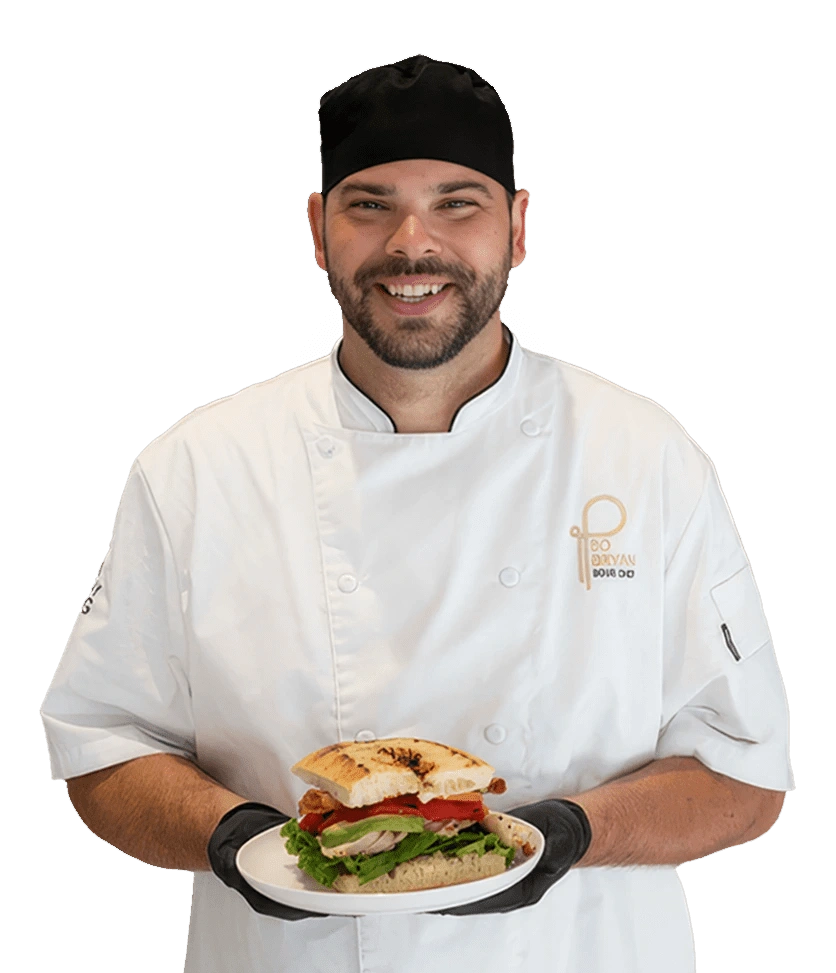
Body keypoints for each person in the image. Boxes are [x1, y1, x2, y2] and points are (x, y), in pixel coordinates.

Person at [40, 55, 792, 973]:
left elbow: (746, 777)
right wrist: (236, 838)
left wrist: (562, 834)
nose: (412, 242)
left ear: (517, 229)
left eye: (457, 202)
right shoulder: (196, 467)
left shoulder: (646, 455)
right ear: (316, 229)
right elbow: (101, 748)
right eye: (367, 203)